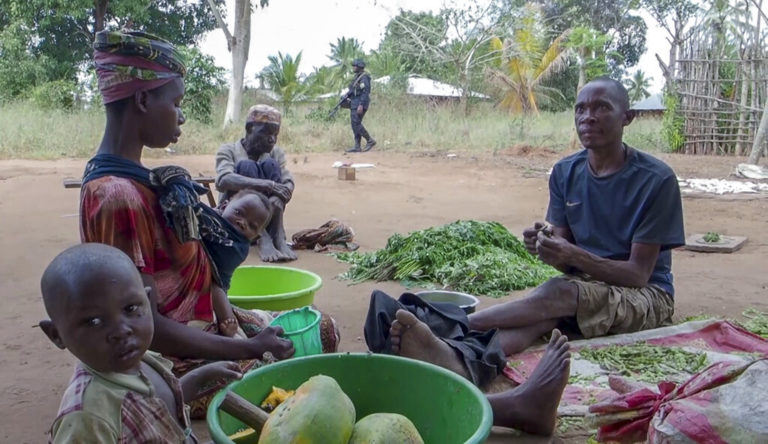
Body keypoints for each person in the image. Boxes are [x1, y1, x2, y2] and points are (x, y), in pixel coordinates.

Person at [79, 30, 338, 418]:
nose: (182, 115)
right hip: (173, 354)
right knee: (286, 364)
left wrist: (228, 318)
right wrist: (248, 347)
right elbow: (145, 328)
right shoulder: (117, 197)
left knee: (323, 329)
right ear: (143, 99)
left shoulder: (136, 179)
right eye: (177, 103)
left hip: (205, 324)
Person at [40, 243, 243, 443]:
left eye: (130, 309)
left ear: (148, 301)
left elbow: (156, 405)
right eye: (94, 321)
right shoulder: (88, 419)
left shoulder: (141, 358)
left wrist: (200, 376)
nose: (121, 331)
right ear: (56, 335)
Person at [215, 104, 297, 262]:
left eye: (275, 134)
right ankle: (263, 237)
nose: (271, 139)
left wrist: (279, 197)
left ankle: (278, 234)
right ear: (249, 129)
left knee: (271, 164)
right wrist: (267, 185)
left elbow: (287, 181)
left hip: (269, 211)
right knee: (247, 166)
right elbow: (223, 180)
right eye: (265, 133)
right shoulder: (228, 150)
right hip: (238, 214)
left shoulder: (275, 153)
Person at [208, 189, 272, 337]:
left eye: (252, 226)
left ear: (255, 237)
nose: (242, 223)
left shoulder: (238, 248)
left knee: (215, 290)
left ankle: (227, 320)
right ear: (223, 206)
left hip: (215, 282)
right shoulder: (208, 219)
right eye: (238, 212)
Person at [345, 59, 376, 153]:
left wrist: (361, 105)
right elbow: (353, 91)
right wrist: (347, 95)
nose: (353, 67)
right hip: (354, 103)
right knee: (354, 124)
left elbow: (365, 92)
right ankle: (357, 146)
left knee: (356, 123)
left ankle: (370, 140)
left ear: (359, 67)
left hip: (360, 104)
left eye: (355, 66)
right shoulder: (356, 77)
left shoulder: (364, 77)